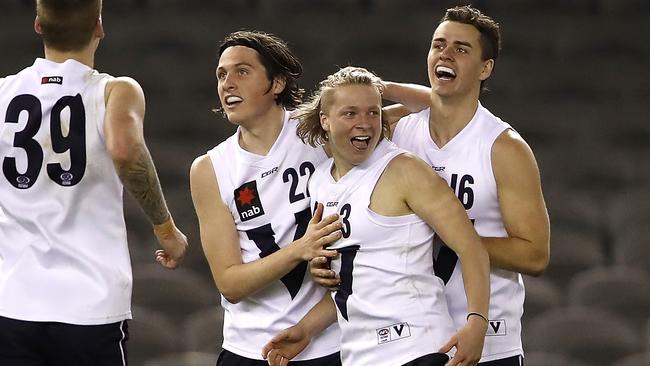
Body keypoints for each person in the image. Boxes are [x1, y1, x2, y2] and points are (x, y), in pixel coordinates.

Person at [315, 6, 551, 366]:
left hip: (488, 340)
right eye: (438, 44)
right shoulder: (396, 130)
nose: (445, 53)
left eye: (461, 48)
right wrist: (325, 251)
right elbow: (348, 137)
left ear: (485, 68)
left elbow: (534, 256)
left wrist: (441, 232)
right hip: (416, 338)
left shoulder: (503, 147)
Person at [0, 1, 188, 365]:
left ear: (38, 25)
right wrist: (166, 230)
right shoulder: (116, 91)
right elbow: (125, 150)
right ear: (99, 27)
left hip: (11, 300)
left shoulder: (2, 93)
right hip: (88, 301)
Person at [263, 66, 490, 366]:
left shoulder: (404, 169)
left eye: (373, 113)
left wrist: (477, 321)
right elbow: (357, 283)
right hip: (361, 354)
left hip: (418, 347)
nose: (365, 123)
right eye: (350, 114)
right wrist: (306, 329)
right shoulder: (319, 183)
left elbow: (471, 248)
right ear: (325, 120)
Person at [189, 30, 342, 366]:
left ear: (277, 84)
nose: (228, 83)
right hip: (249, 348)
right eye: (221, 74)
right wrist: (300, 249)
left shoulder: (320, 133)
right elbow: (230, 282)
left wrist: (380, 89)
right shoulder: (210, 168)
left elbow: (408, 115)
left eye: (242, 71)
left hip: (330, 344)